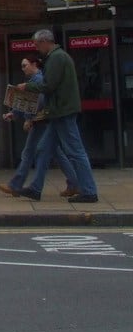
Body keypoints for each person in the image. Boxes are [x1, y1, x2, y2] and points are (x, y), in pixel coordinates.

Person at [15, 28, 100, 203]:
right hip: (57, 112)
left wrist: (27, 87)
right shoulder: (58, 57)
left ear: (46, 42)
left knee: (76, 152)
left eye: (38, 45)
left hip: (63, 111)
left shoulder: (56, 58)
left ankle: (89, 191)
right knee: (43, 149)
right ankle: (35, 189)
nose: (37, 49)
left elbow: (48, 86)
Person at [0, 56, 77, 199]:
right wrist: (14, 113)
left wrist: (28, 119)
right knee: (57, 154)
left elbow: (37, 103)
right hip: (43, 121)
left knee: (29, 153)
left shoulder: (39, 80)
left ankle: (16, 185)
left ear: (34, 64)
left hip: (41, 121)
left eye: (25, 65)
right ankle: (74, 183)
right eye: (22, 66)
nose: (23, 69)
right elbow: (26, 101)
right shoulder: (34, 81)